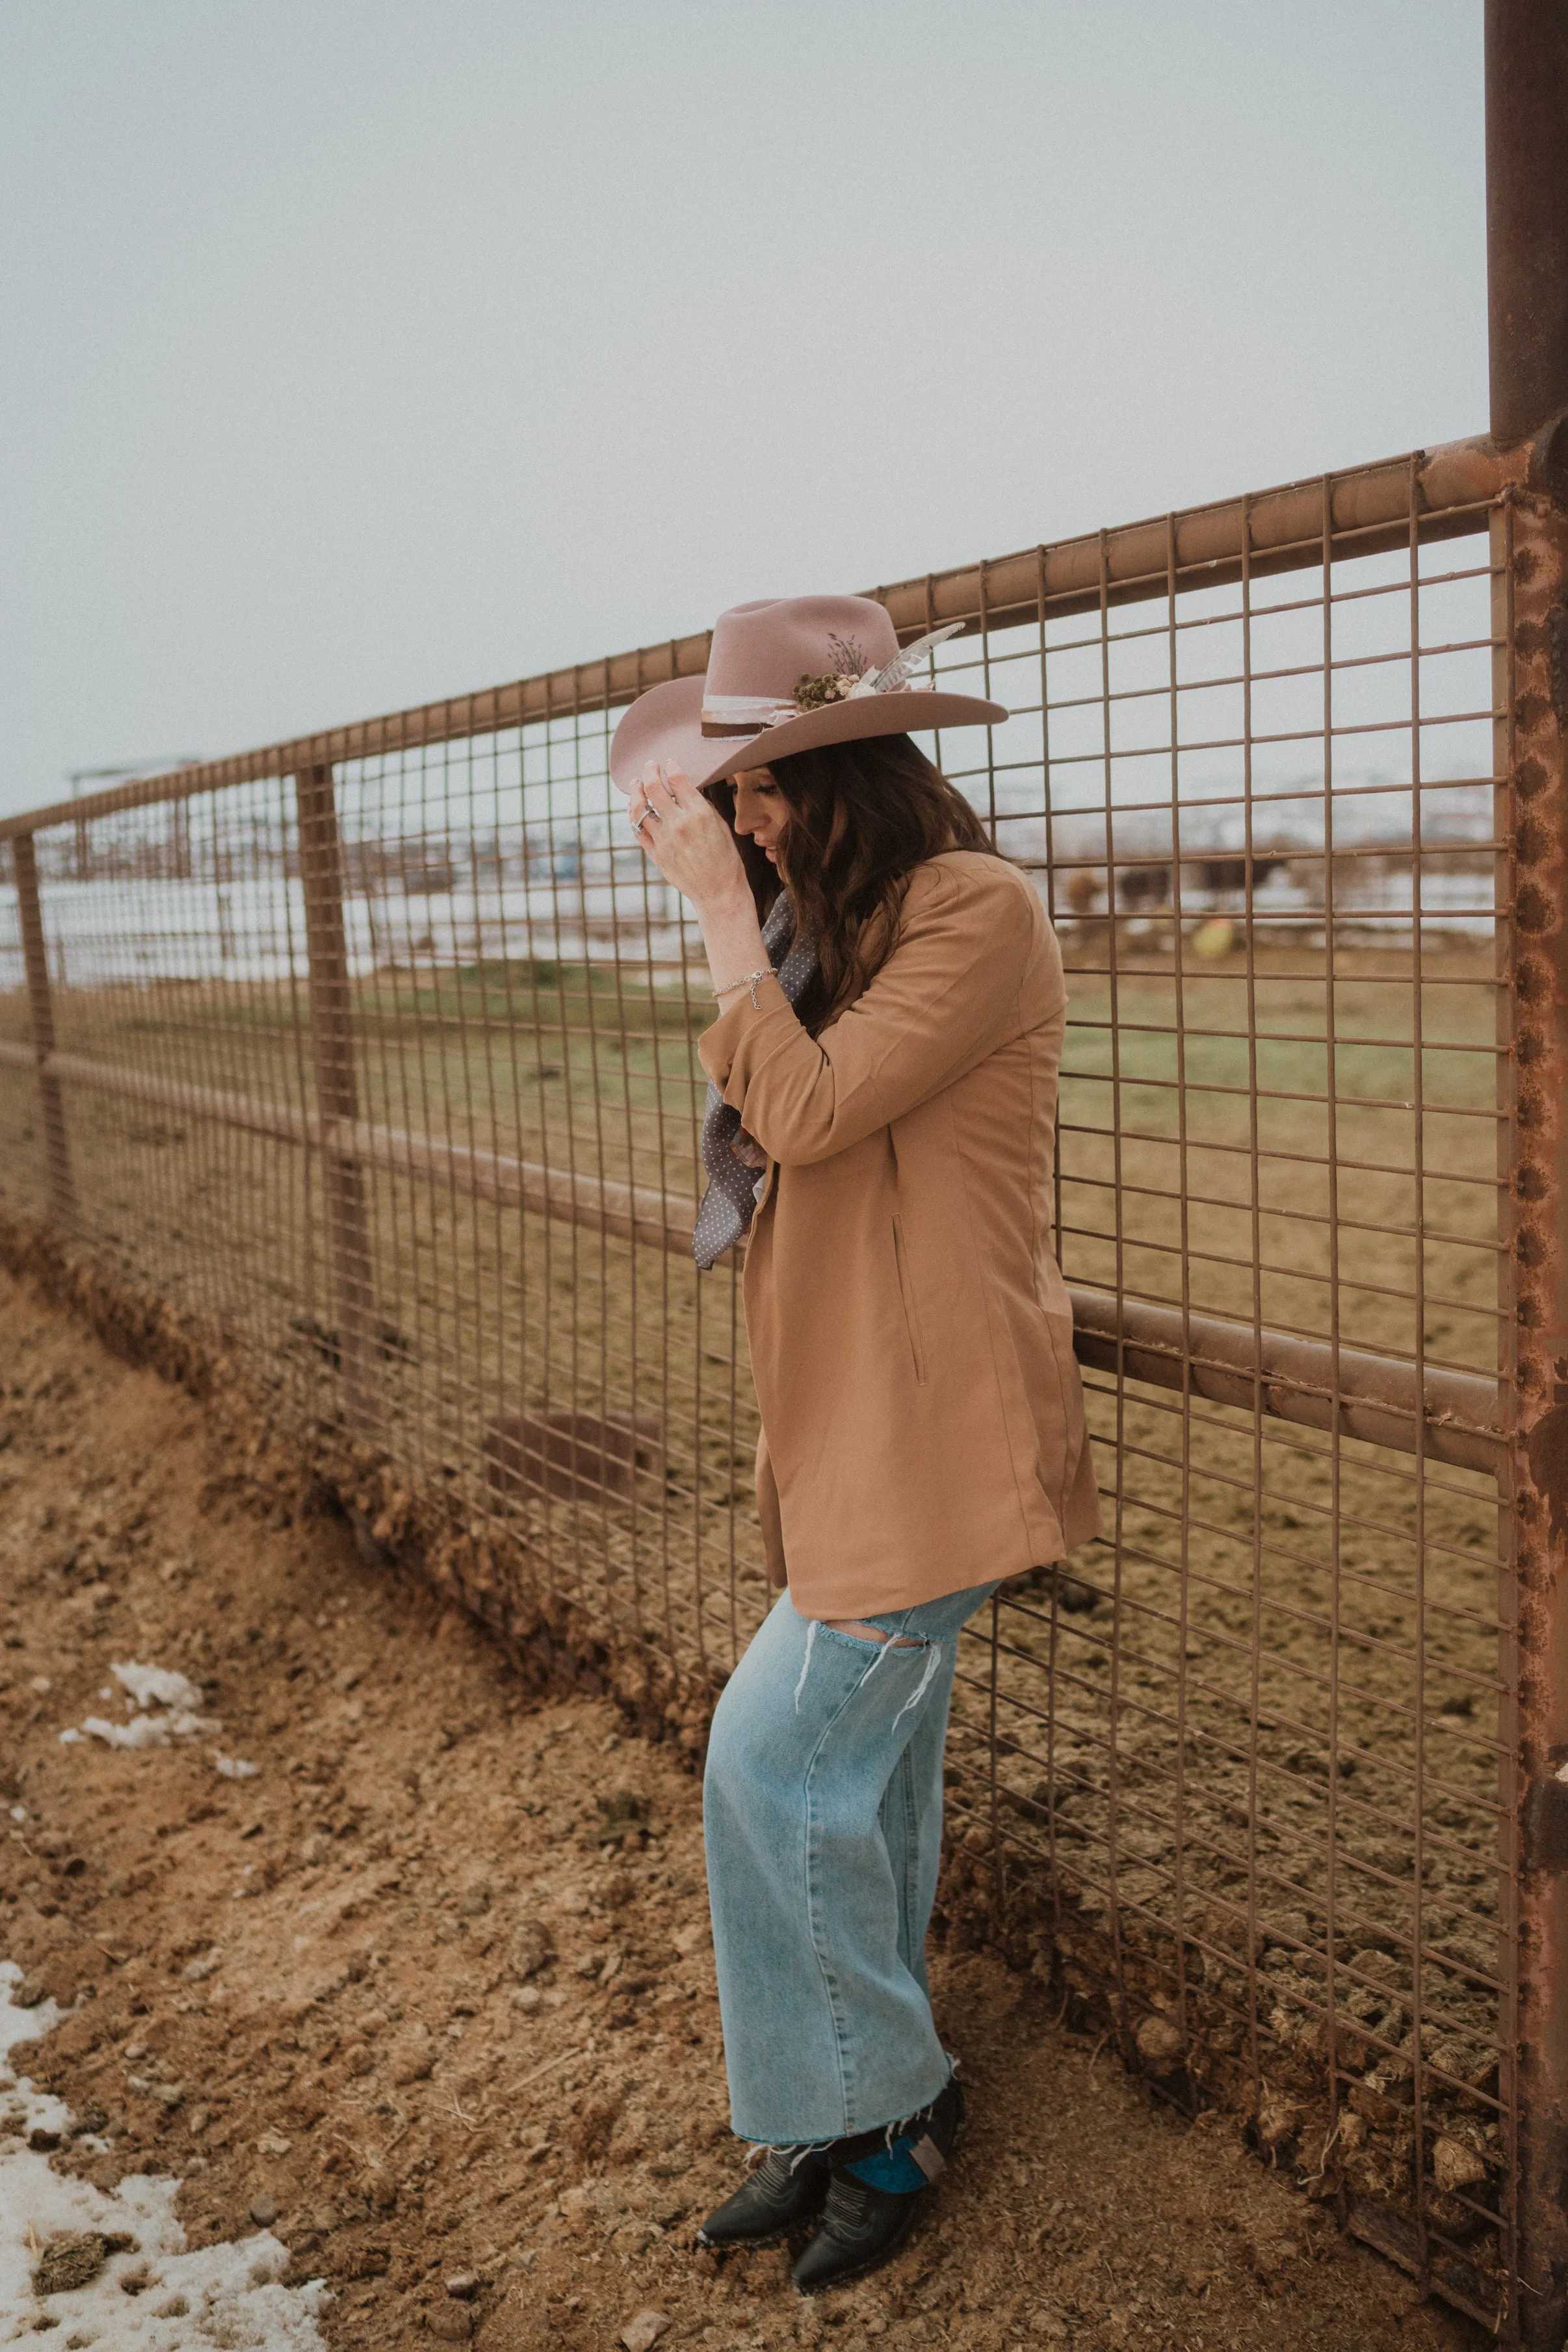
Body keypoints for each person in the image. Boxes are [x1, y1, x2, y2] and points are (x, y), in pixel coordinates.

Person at [610, 594, 1100, 2293]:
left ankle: (881, 2120)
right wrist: (751, 920)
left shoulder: (970, 910)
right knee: (862, 1785)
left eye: (756, 788)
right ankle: (849, 2115)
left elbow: (804, 1112)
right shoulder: (840, 934)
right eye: (725, 796)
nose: (736, 820)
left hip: (933, 1431)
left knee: (772, 1764)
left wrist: (726, 934)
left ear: (840, 772)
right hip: (850, 1428)